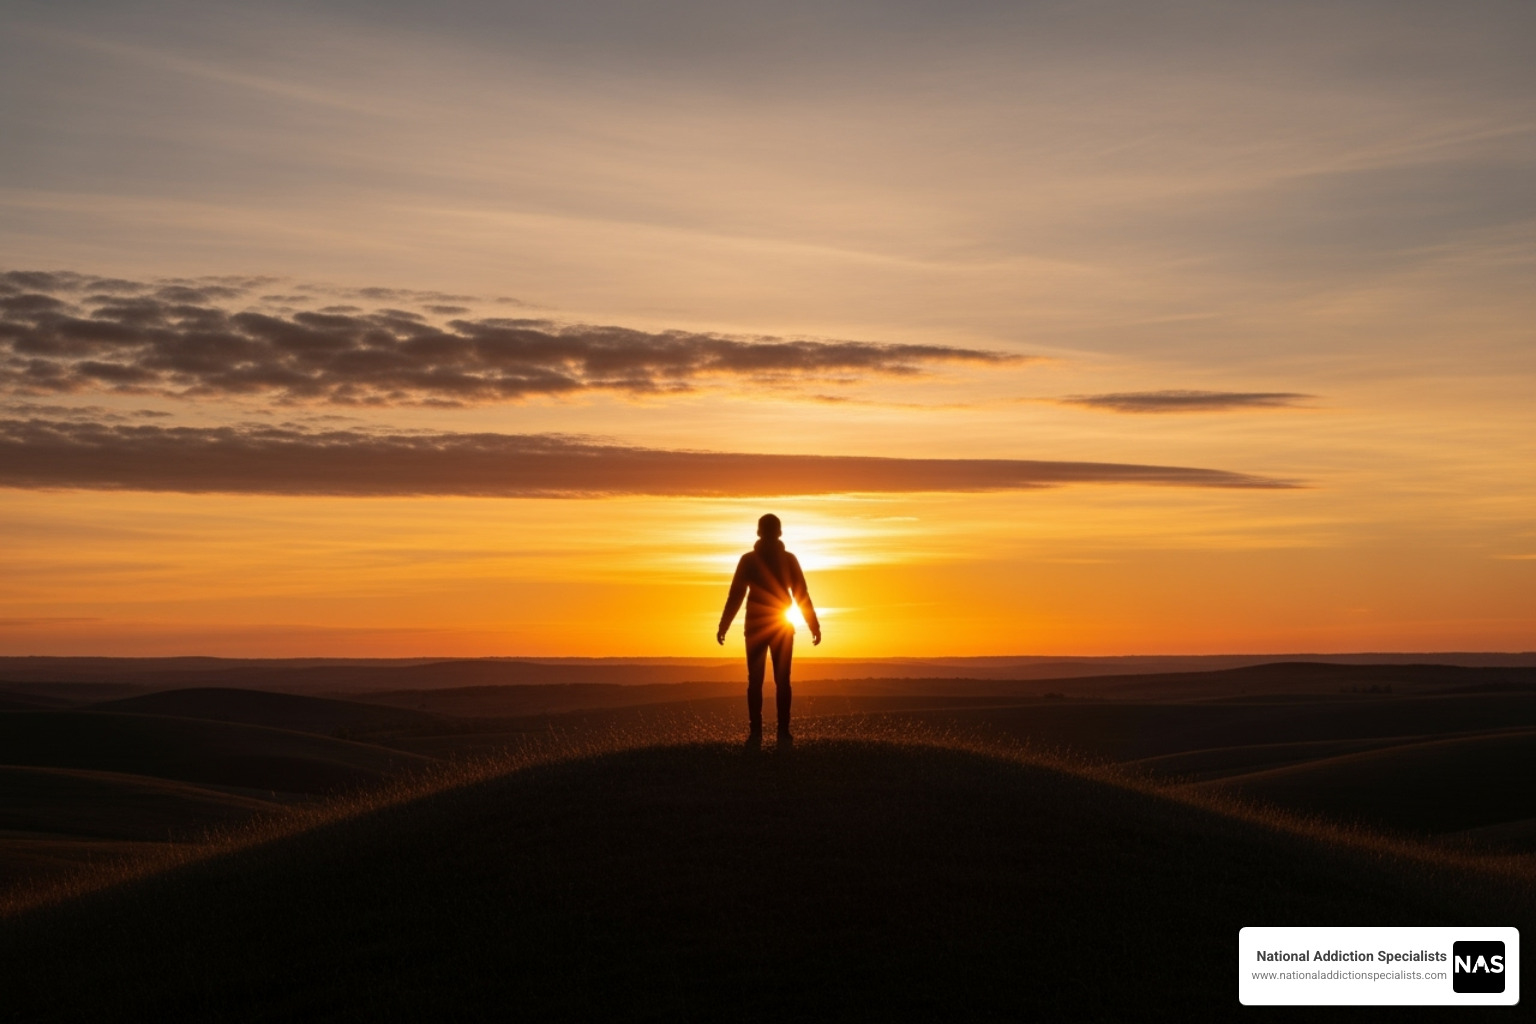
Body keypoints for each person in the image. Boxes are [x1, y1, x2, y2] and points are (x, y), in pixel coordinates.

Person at [717, 514, 821, 744]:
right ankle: (780, 732)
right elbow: (802, 594)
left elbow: (735, 595)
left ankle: (758, 733)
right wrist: (813, 625)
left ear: (758, 532)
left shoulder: (749, 560)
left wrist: (724, 625)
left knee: (757, 681)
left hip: (758, 626)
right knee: (780, 680)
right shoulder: (787, 559)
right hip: (779, 627)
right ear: (779, 532)